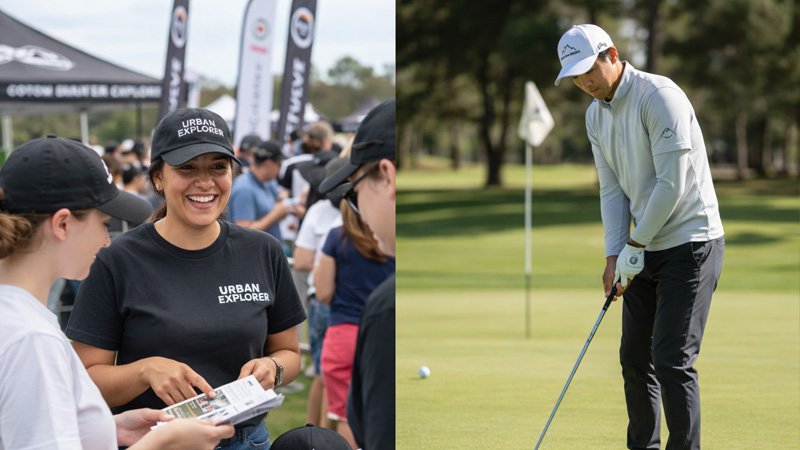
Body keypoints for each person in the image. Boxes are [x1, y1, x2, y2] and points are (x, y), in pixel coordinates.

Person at [66, 108, 307, 450]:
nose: (205, 182)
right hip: (156, 442)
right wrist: (144, 370)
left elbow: (289, 353)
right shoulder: (117, 260)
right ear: (159, 178)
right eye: (187, 168)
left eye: (217, 167)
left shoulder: (263, 250)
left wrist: (273, 367)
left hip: (246, 441)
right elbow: (85, 379)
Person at [0, 135, 234, 449]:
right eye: (104, 223)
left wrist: (106, 430)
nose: (107, 241)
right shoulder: (32, 339)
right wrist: (164, 443)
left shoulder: (16, 317)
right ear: (63, 224)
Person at [554, 25, 725, 450]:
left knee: (672, 360)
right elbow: (611, 190)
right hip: (641, 250)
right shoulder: (595, 114)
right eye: (575, 77)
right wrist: (614, 253)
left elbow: (672, 183)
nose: (584, 83)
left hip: (691, 242)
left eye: (588, 70)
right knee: (634, 358)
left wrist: (635, 244)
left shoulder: (658, 96)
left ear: (611, 54)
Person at [319, 99, 397, 450]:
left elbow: (322, 292)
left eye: (354, 192)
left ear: (388, 176)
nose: (357, 208)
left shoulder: (389, 307)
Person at [294, 157, 348, 428]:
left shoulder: (317, 210)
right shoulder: (357, 212)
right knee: (335, 377)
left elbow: (302, 260)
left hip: (319, 300)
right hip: (340, 303)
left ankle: (313, 434)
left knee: (322, 374)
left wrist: (322, 260)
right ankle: (328, 438)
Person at [228, 140, 292, 242]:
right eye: (279, 164)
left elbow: (281, 196)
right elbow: (243, 232)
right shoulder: (244, 189)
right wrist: (275, 215)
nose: (280, 169)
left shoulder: (266, 181)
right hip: (254, 255)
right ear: (268, 164)